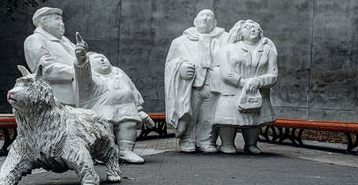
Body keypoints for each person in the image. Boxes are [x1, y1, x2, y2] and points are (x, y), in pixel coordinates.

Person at [73, 34, 155, 163]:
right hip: (101, 110)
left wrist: (139, 110)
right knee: (105, 126)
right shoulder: (90, 77)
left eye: (103, 57)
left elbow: (132, 90)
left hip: (127, 108)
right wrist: (82, 60)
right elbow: (83, 77)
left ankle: (126, 150)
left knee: (129, 123)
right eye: (96, 59)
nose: (102, 60)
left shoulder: (118, 72)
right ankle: (102, 152)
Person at [164, 9, 229, 153]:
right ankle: (187, 139)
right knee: (189, 114)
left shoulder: (226, 39)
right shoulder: (180, 41)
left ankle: (205, 141)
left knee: (209, 117)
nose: (205, 18)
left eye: (209, 16)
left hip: (214, 84)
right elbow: (170, 63)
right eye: (202, 15)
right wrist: (180, 68)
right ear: (195, 21)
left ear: (215, 22)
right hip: (191, 86)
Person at [214, 20, 278, 154]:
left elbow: (273, 74)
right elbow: (226, 73)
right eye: (248, 28)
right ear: (240, 32)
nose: (253, 30)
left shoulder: (268, 50)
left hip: (257, 91)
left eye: (256, 28)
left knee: (254, 118)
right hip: (232, 90)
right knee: (229, 119)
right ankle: (227, 143)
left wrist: (258, 81)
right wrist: (245, 83)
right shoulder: (228, 49)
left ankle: (251, 144)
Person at [24, 7, 79, 106]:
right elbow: (46, 69)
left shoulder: (66, 41)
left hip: (82, 93)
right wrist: (81, 72)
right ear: (44, 21)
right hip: (61, 99)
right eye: (57, 19)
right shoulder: (34, 40)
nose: (62, 24)